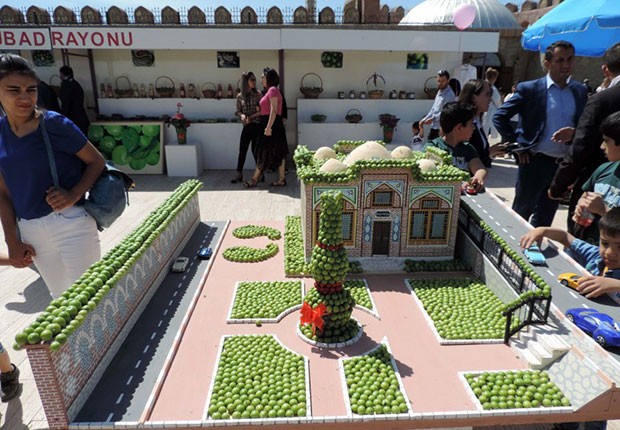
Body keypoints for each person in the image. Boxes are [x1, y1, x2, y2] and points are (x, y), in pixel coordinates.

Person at [0, 54, 106, 298]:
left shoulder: (54, 124)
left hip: (70, 223)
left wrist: (73, 194)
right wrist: (12, 241)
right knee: (61, 300)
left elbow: (96, 161)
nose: (25, 97)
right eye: (14, 90)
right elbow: (3, 193)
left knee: (90, 298)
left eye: (31, 89)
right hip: (31, 231)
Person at [493, 40, 588, 227]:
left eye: (570, 59)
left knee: (546, 217)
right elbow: (500, 117)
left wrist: (575, 133)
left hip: (562, 165)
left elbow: (586, 124)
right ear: (547, 63)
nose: (566, 65)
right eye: (560, 60)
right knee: (521, 213)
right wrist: (518, 146)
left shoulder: (580, 91)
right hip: (534, 162)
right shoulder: (530, 89)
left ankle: (535, 244)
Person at [549, 42, 620, 241]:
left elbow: (581, 146)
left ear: (605, 70)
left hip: (600, 188)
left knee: (584, 240)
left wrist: (559, 184)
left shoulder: (602, 99)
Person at [571, 112, 620, 241]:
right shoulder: (604, 169)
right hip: (585, 243)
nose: (602, 146)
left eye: (606, 141)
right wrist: (581, 205)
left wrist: (603, 210)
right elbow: (585, 195)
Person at [423, 101, 487, 191]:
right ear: (459, 128)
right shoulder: (432, 148)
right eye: (471, 124)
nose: (474, 128)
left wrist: (478, 176)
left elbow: (479, 168)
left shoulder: (468, 149)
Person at [243, 68, 288, 188]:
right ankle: (281, 179)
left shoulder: (272, 90)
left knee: (263, 152)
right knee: (277, 152)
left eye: (263, 77)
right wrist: (252, 116)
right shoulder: (270, 91)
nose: (261, 79)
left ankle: (254, 179)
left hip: (272, 125)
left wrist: (268, 128)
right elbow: (266, 111)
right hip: (271, 124)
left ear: (269, 78)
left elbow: (273, 110)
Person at [458, 79, 507, 167]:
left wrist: (494, 151)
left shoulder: (477, 121)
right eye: (487, 95)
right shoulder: (464, 122)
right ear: (474, 98)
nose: (490, 99)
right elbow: (462, 155)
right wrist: (489, 152)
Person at [231, 71, 261, 184]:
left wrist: (251, 117)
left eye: (255, 79)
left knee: (255, 150)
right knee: (242, 149)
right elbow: (238, 111)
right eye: (252, 80)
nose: (254, 82)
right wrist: (242, 116)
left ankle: (259, 173)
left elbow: (262, 111)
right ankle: (239, 173)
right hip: (246, 126)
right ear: (246, 82)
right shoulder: (240, 96)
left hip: (256, 125)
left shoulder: (258, 94)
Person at [420, 70, 456, 141]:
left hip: (442, 129)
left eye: (443, 81)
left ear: (448, 81)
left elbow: (446, 112)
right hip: (434, 127)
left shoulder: (450, 94)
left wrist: (433, 118)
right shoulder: (439, 92)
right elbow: (433, 109)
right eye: (439, 81)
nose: (440, 83)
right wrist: (424, 119)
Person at [59, 65, 90, 134]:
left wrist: (62, 117)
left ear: (62, 74)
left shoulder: (65, 84)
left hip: (73, 119)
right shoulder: (76, 83)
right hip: (81, 117)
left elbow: (66, 103)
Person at [481, 67, 501, 140]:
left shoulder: (481, 85)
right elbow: (497, 101)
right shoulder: (492, 88)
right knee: (485, 131)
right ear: (494, 78)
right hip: (489, 111)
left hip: (481, 110)